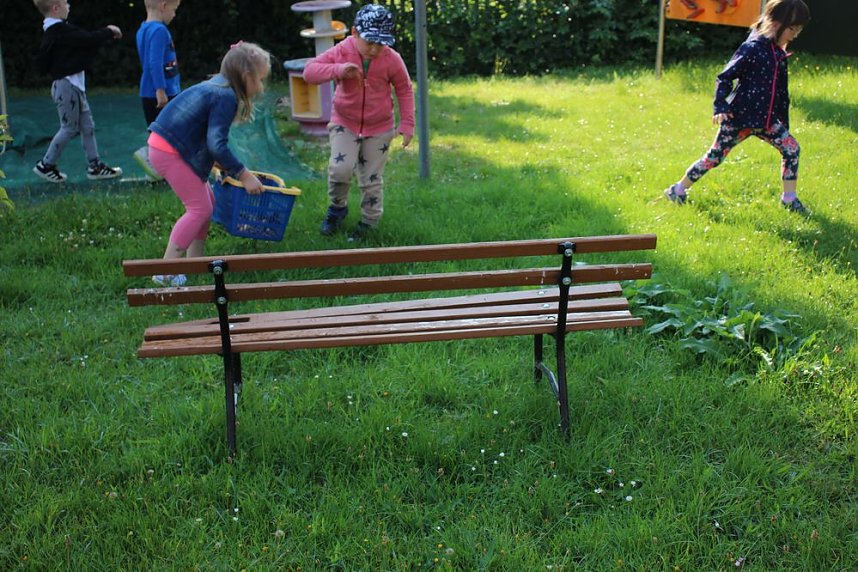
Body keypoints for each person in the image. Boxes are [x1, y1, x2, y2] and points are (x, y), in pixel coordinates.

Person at [663, 0, 811, 216]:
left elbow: (781, 94)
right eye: (792, 29)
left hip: (766, 120)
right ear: (774, 23)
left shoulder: (779, 54)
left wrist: (782, 123)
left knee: (791, 149)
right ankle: (677, 190)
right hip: (738, 118)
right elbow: (724, 78)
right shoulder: (752, 48)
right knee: (714, 157)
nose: (795, 34)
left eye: (799, 30)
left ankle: (789, 199)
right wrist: (719, 107)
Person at [146, 42, 267, 286]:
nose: (261, 87)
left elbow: (204, 135)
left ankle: (195, 264)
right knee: (199, 209)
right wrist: (243, 175)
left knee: (207, 204)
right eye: (260, 80)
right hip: (169, 151)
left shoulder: (218, 87)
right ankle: (165, 271)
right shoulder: (225, 96)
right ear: (246, 76)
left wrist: (220, 164)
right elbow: (216, 145)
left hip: (170, 146)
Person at [303, 3, 415, 240]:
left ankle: (369, 223)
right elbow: (310, 72)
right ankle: (337, 208)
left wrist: (407, 123)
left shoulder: (392, 59)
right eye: (369, 41)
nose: (374, 49)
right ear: (354, 32)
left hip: (380, 128)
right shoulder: (342, 50)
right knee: (339, 169)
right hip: (345, 122)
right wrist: (339, 69)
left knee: (371, 179)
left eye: (381, 42)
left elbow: (404, 89)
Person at [31, 0, 123, 183]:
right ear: (55, 8)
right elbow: (87, 39)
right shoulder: (58, 31)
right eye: (65, 2)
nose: (69, 5)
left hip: (75, 87)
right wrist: (109, 31)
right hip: (67, 87)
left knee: (87, 126)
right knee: (69, 128)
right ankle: (46, 164)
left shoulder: (59, 31)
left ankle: (95, 166)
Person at [134, 0, 182, 180]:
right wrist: (160, 89)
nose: (174, 14)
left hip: (150, 91)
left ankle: (156, 169)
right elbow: (154, 62)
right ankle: (150, 157)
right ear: (163, 6)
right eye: (174, 10)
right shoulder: (159, 31)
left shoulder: (143, 29)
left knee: (158, 132)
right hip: (163, 92)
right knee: (169, 132)